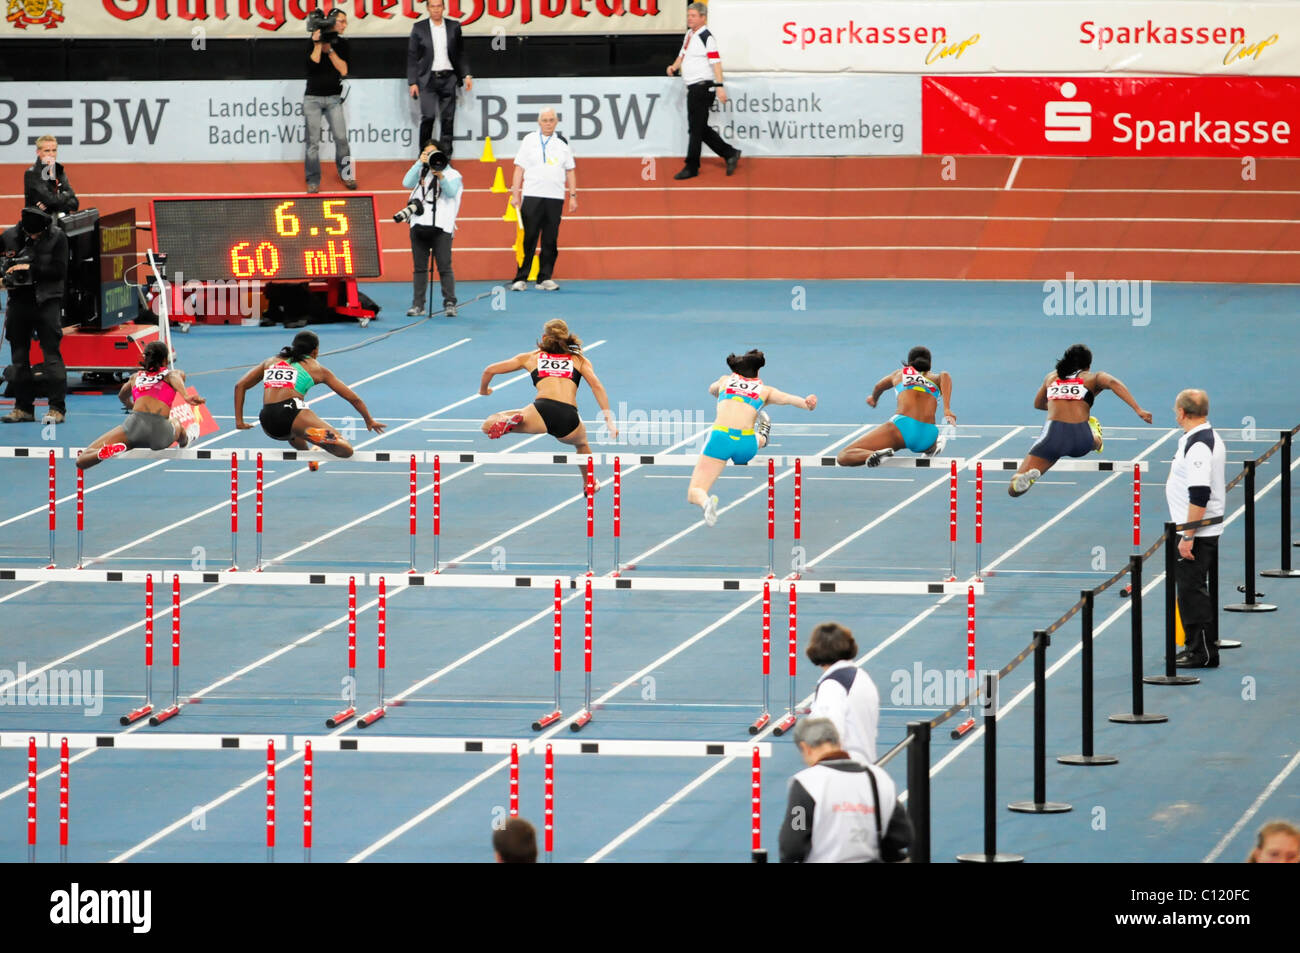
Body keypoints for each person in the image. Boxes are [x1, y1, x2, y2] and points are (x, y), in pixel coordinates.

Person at [688, 349, 815, 526]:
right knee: (757, 437)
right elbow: (790, 400)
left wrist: (726, 391)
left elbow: (711, 390)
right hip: (746, 445)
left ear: (736, 371)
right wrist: (808, 403)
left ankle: (706, 502)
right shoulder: (766, 390)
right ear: (758, 371)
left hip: (720, 439)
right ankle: (762, 435)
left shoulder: (725, 380)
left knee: (696, 490)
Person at [479, 320, 617, 484]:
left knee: (488, 425)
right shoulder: (579, 360)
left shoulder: (532, 357)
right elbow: (597, 386)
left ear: (544, 337)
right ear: (566, 338)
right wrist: (609, 421)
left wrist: (484, 390)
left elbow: (489, 370)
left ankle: (508, 420)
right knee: (582, 445)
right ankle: (589, 482)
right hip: (569, 418)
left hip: (541, 410)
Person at [1009, 343, 1153, 497]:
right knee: (1095, 442)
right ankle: (1096, 435)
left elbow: (1038, 404)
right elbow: (1113, 383)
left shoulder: (1051, 378)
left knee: (1013, 490)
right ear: (1088, 366)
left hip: (1052, 436)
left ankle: (1022, 479)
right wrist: (1138, 409)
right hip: (1080, 437)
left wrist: (1056, 404)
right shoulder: (1093, 378)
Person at [233, 330, 385, 459]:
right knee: (345, 449)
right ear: (315, 351)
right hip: (290, 413)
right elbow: (353, 398)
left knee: (295, 430)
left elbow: (240, 386)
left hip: (267, 422)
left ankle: (308, 454)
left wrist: (239, 421)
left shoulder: (271, 361)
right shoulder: (316, 368)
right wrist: (369, 420)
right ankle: (316, 437)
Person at [778, 718, 912, 863]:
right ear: (840, 743)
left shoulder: (805, 783)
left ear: (805, 748)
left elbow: (791, 847)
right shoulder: (878, 778)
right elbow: (902, 835)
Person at [1167, 389, 1226, 669]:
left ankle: (1201, 652)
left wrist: (1188, 535)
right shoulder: (1199, 438)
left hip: (1197, 531)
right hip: (1197, 528)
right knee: (1191, 589)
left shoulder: (1200, 445)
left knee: (1191, 590)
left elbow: (1200, 493)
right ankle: (1198, 647)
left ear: (1181, 412)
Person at [76, 342, 204, 470]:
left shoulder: (135, 377)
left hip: (133, 427)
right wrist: (186, 396)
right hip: (159, 432)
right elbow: (175, 376)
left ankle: (101, 453)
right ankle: (185, 440)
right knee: (176, 423)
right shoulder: (172, 374)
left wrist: (131, 406)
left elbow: (122, 396)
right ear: (165, 359)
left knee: (82, 460)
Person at [1, 207, 68, 425]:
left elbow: (60, 271)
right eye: (31, 234)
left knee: (51, 356)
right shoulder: (9, 237)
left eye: (38, 234)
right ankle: (23, 408)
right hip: (19, 304)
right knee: (19, 359)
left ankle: (57, 408)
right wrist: (5, 277)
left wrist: (30, 268)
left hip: (47, 302)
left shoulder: (57, 237)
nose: (34, 237)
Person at [836, 346, 954, 467]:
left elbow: (878, 387)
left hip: (900, 429)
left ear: (909, 363)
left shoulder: (899, 374)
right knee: (928, 441)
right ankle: (933, 446)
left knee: (844, 455)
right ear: (930, 364)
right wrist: (947, 409)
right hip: (927, 435)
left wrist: (873, 399)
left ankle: (873, 454)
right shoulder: (937, 378)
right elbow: (946, 376)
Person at [667, 2, 740, 181]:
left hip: (703, 88)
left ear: (702, 17)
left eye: (693, 16)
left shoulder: (707, 37)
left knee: (696, 129)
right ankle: (730, 152)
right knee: (698, 128)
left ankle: (692, 166)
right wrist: (674, 66)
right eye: (688, 15)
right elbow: (683, 54)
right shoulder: (690, 34)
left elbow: (716, 63)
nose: (689, 18)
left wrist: (720, 86)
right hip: (693, 88)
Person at [509, 108, 577, 293]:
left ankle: (545, 277)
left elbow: (570, 170)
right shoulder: (529, 140)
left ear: (556, 122)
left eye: (551, 120)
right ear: (539, 122)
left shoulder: (562, 144)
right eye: (545, 120)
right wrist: (516, 194)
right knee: (529, 238)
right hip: (532, 196)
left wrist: (572, 196)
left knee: (550, 239)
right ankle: (521, 278)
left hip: (554, 197)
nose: (548, 123)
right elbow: (518, 169)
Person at [402, 143, 463, 318]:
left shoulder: (453, 174)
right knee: (419, 268)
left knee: (444, 266)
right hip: (419, 224)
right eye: (425, 153)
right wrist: (418, 164)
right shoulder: (421, 170)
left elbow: (451, 193)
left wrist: (440, 176)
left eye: (432, 153)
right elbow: (406, 183)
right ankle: (418, 305)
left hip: (442, 226)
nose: (429, 157)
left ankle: (450, 302)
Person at [805, 622, 879, 764]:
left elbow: (829, 736)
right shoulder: (862, 676)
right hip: (867, 765)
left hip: (844, 770)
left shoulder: (832, 686)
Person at [407, 0, 472, 156]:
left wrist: (466, 74)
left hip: (448, 77)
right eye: (432, 6)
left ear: (444, 8)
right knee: (428, 117)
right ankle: (423, 155)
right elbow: (412, 56)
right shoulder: (419, 28)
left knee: (448, 119)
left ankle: (445, 157)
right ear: (428, 8)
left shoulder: (454, 27)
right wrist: (413, 81)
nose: (436, 9)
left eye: (439, 6)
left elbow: (460, 53)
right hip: (427, 80)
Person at [304, 7, 356, 193]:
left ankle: (347, 175)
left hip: (334, 98)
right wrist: (318, 44)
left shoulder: (343, 44)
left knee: (341, 138)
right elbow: (312, 66)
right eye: (341, 21)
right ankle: (313, 180)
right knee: (313, 143)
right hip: (312, 99)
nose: (344, 25)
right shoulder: (311, 42)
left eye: (345, 21)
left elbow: (343, 70)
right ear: (332, 22)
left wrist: (330, 49)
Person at [24, 136, 79, 217]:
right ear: (38, 152)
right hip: (39, 223)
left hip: (61, 222)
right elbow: (51, 201)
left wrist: (58, 202)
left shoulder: (59, 170)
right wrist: (67, 195)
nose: (51, 154)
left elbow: (75, 204)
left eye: (54, 150)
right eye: (47, 151)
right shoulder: (32, 174)